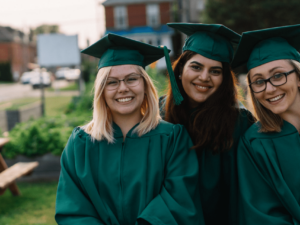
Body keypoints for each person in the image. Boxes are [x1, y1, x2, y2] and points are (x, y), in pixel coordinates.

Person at [55, 33, 204, 225]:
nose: (123, 88)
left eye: (131, 79)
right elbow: (73, 208)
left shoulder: (172, 139)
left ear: (144, 84)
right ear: (101, 90)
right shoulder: (81, 144)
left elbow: (178, 200)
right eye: (112, 82)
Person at [159, 23, 255, 225]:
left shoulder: (240, 124)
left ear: (225, 79)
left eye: (215, 71)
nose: (204, 77)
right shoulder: (157, 115)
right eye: (196, 67)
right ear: (180, 69)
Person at [231, 24, 300, 224]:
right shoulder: (254, 143)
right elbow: (262, 215)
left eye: (278, 75)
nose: (269, 89)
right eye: (259, 81)